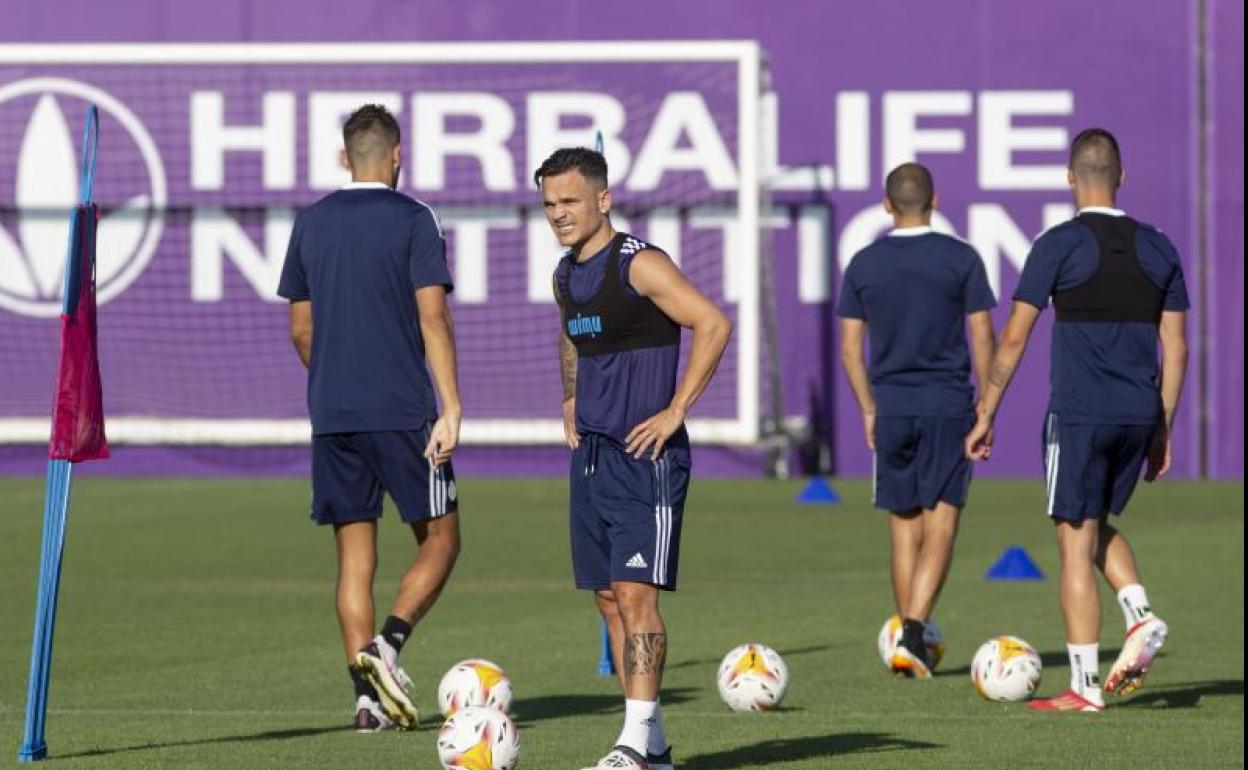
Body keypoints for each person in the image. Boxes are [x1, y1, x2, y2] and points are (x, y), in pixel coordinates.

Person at [966, 128, 1188, 712]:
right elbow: (1179, 346)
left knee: (1072, 540)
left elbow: (1013, 339)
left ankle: (1085, 688)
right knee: (1094, 525)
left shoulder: (1057, 244)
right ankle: (1139, 615)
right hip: (1139, 411)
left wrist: (986, 411)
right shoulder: (1161, 246)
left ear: (1070, 178)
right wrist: (1163, 425)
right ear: (1122, 176)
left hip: (1081, 415)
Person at [537, 147, 732, 770]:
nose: (559, 214)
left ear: (603, 199)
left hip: (645, 459)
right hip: (591, 456)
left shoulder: (639, 265)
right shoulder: (566, 274)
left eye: (569, 201)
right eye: (549, 204)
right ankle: (655, 745)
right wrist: (570, 394)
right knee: (607, 598)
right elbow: (571, 332)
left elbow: (712, 323)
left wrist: (677, 409)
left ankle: (632, 746)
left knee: (636, 595)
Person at [277, 104, 463, 731]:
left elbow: (301, 329)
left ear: (342, 157)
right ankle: (386, 649)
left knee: (355, 560)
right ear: (397, 155)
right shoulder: (414, 218)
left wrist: (335, 382)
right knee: (441, 539)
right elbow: (433, 316)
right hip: (403, 411)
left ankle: (365, 703)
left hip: (333, 412)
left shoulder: (311, 222)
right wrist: (453, 405)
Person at [838, 162, 997, 679]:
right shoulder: (961, 258)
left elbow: (849, 349)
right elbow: (981, 336)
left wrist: (867, 406)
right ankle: (912, 630)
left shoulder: (864, 263)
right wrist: (988, 406)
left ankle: (908, 642)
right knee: (942, 521)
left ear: (887, 205)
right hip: (947, 404)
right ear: (936, 199)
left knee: (903, 525)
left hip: (893, 406)